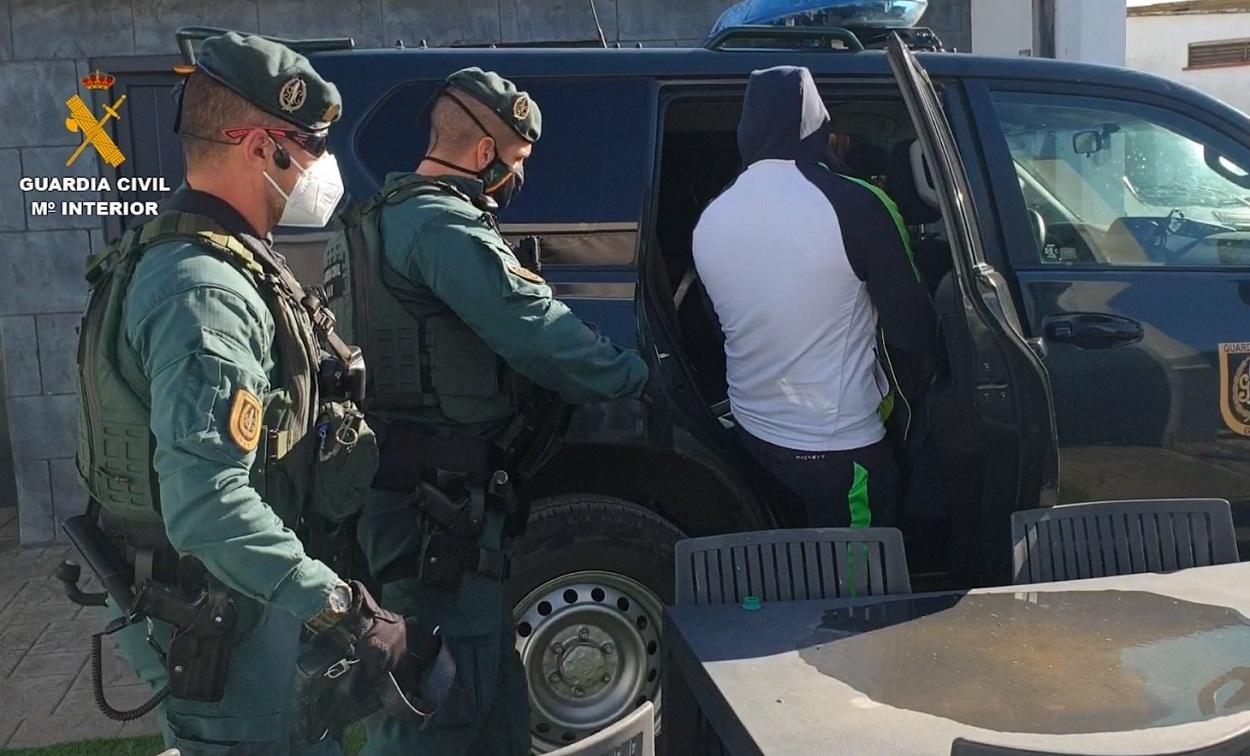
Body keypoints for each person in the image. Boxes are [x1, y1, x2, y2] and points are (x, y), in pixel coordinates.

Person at [73, 33, 423, 755]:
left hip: (238, 592)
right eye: (313, 146)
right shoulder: (204, 292)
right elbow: (206, 505)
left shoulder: (223, 258)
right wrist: (341, 610)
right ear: (264, 147)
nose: (323, 169)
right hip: (219, 607)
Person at [328, 68, 649, 755]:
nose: (514, 177)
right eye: (516, 161)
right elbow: (537, 333)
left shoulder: (371, 220)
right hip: (435, 505)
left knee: (491, 692)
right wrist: (637, 378)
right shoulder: (442, 226)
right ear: (483, 155)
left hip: (414, 491)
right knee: (439, 701)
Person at [692, 65, 936, 529]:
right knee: (858, 582)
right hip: (840, 447)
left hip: (753, 432)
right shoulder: (859, 204)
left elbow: (721, 318)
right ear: (819, 124)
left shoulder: (713, 214)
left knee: (793, 566)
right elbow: (913, 330)